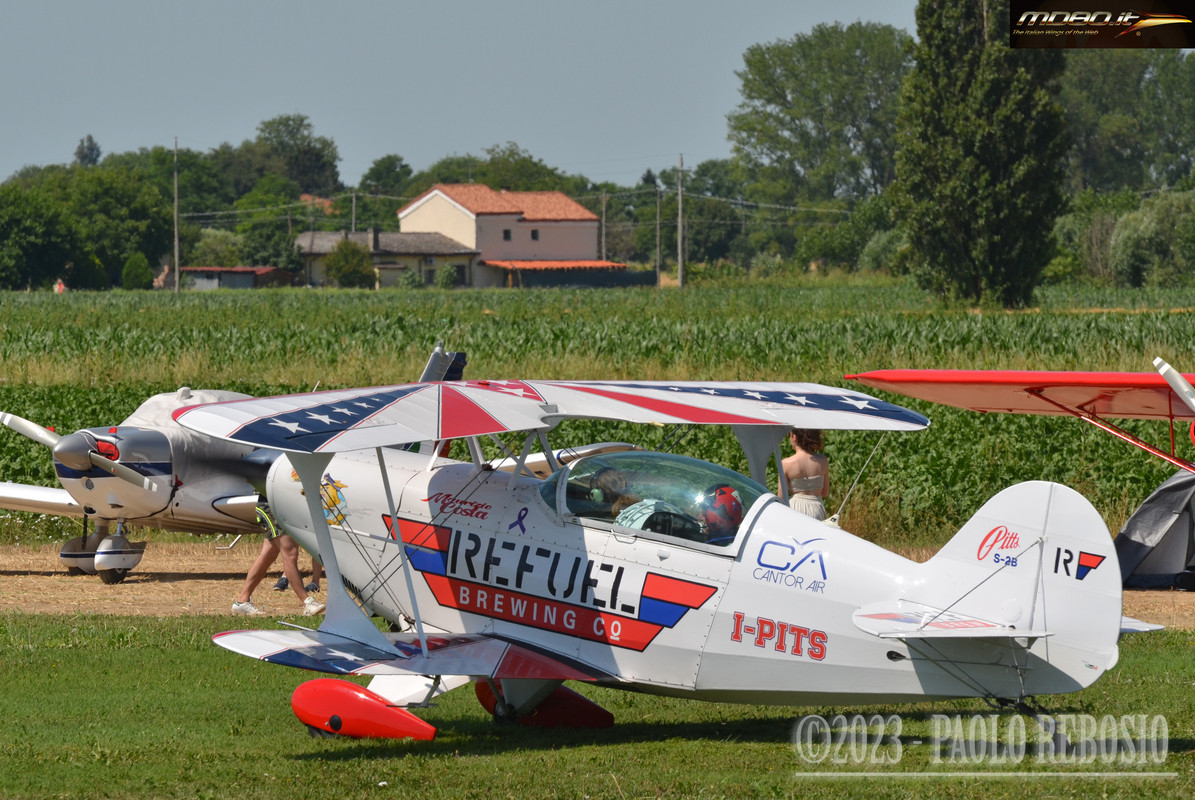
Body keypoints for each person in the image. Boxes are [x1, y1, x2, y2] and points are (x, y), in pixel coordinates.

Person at [232, 508, 325, 617]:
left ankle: (242, 601)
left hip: (282, 506)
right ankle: (307, 602)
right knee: (291, 553)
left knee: (269, 554)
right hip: (273, 506)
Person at [780, 428, 829, 521]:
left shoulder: (786, 464)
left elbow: (782, 498)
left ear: (794, 437)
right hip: (816, 509)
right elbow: (825, 493)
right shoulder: (823, 461)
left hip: (794, 509)